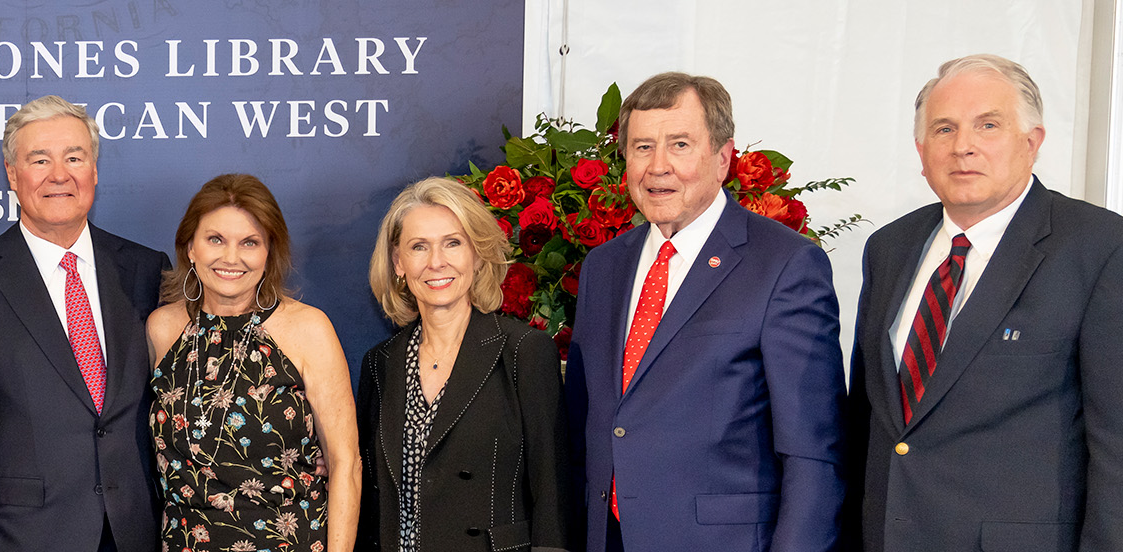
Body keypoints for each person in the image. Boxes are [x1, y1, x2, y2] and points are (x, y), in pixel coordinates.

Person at [843, 54, 1123, 551]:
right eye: (944, 129)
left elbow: (1116, 448)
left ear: (1032, 142)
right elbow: (868, 424)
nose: (963, 147)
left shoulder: (1100, 247)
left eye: (988, 125)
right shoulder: (889, 248)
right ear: (921, 150)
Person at [566, 72, 845, 551]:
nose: (657, 167)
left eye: (679, 144)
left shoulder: (784, 264)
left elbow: (814, 454)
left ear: (722, 158)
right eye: (641, 147)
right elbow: (585, 420)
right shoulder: (604, 266)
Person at [0, 95, 170, 552]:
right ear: (12, 174)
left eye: (74, 158)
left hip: (136, 531)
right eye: (39, 159)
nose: (59, 174)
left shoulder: (146, 270)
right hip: (22, 537)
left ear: (94, 172)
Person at [145, 173, 361, 552]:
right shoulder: (162, 329)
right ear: (190, 248)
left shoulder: (307, 329)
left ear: (268, 252)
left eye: (249, 242)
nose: (231, 257)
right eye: (215, 240)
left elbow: (346, 465)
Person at [357, 176, 570, 552]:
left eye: (452, 243)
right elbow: (372, 496)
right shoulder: (380, 364)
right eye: (419, 247)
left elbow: (553, 494)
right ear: (398, 262)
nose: (436, 262)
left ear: (477, 253)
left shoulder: (525, 351)